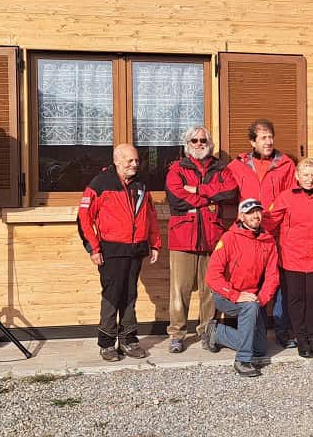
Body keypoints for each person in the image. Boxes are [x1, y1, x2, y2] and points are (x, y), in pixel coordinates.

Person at [78, 144, 160, 361]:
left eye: (136, 161)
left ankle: (128, 340)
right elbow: (83, 218)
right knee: (112, 296)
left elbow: (150, 215)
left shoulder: (141, 183)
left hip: (136, 249)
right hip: (111, 250)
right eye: (130, 161)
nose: (135, 164)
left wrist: (155, 243)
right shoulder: (100, 183)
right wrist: (93, 248)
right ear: (117, 160)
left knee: (130, 295)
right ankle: (106, 343)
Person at [164, 126, 239, 353]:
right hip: (182, 238)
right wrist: (208, 198)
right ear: (187, 144)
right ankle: (177, 334)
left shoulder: (221, 168)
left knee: (210, 289)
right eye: (194, 140)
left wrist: (196, 189)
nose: (199, 144)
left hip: (212, 237)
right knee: (180, 290)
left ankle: (208, 331)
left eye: (203, 140)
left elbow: (231, 192)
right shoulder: (177, 168)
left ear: (210, 143)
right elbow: (177, 198)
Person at [227, 118, 297, 347]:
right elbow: (223, 190)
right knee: (248, 278)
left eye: (270, 137)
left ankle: (281, 329)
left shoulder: (286, 164)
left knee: (276, 283)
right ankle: (245, 328)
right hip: (247, 234)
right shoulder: (237, 165)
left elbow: (290, 200)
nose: (268, 142)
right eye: (263, 138)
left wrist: (269, 223)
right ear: (252, 142)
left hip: (275, 234)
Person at [265, 158, 313, 358]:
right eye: (305, 175)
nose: (310, 179)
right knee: (295, 299)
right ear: (297, 176)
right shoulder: (286, 197)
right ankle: (301, 338)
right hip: (292, 256)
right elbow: (270, 222)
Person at [205, 198, 279, 377]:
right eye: (250, 212)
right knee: (250, 311)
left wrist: (261, 299)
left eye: (258, 211)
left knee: (260, 349)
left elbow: (272, 276)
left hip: (253, 298)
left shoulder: (268, 240)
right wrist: (234, 295)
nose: (256, 215)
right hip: (226, 296)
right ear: (241, 216)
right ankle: (243, 360)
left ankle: (217, 332)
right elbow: (212, 276)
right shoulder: (229, 238)